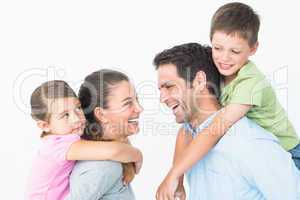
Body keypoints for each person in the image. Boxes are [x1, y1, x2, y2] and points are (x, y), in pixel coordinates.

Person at [154, 43, 300, 200]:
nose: (162, 98)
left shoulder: (250, 143)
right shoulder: (191, 137)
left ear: (199, 81)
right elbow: (184, 132)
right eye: (160, 90)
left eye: (169, 87)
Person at [26, 80, 142, 200]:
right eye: (65, 115)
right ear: (45, 125)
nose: (76, 119)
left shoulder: (69, 133)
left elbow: (112, 138)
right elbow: (114, 151)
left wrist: (127, 164)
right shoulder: (59, 146)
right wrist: (137, 155)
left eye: (78, 107)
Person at [67, 69, 143, 200]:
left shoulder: (115, 159)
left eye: (137, 100)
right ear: (101, 114)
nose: (139, 108)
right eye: (128, 103)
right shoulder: (103, 168)